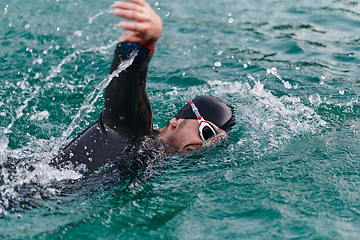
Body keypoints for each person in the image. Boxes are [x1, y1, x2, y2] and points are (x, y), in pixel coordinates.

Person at [52, 0, 235, 172]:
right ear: (176, 121)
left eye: (215, 142)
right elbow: (125, 97)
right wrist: (144, 45)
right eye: (206, 132)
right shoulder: (134, 131)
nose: (205, 145)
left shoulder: (161, 163)